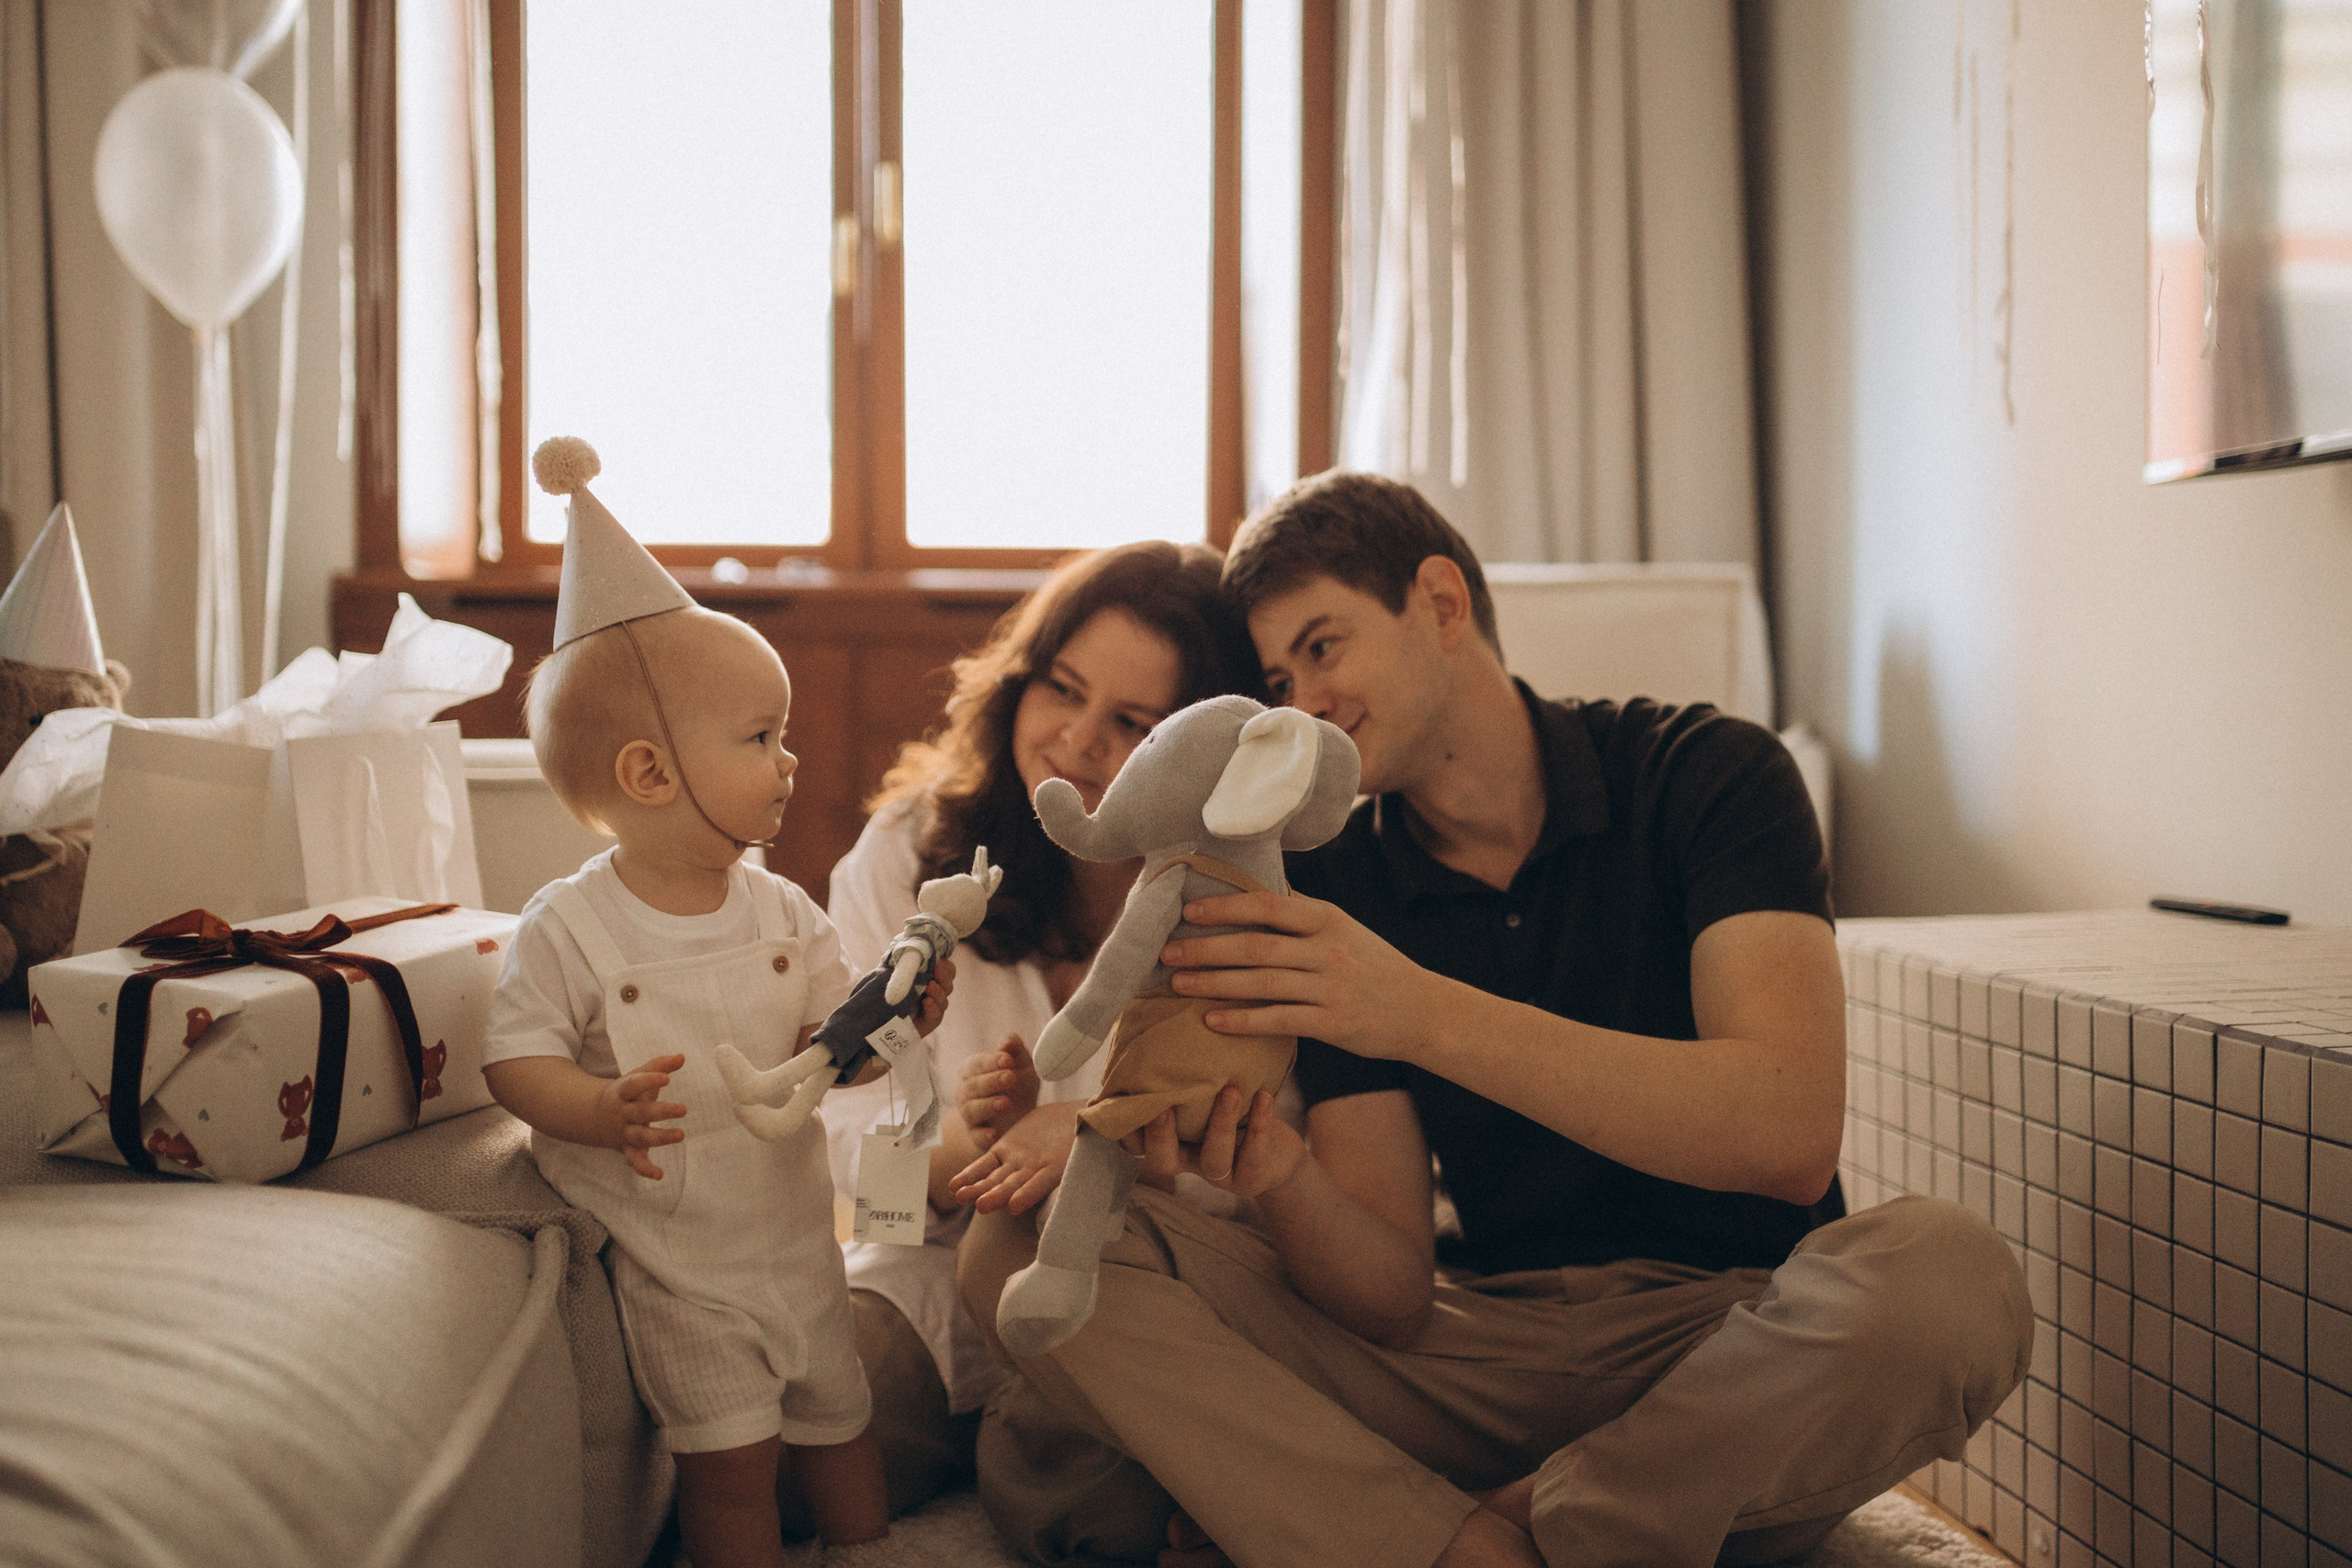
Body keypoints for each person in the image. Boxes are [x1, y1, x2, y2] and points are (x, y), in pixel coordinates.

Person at [960, 471, 2035, 1568]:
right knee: (1023, 1244)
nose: (1304, 704)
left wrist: (1414, 1011)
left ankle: (1492, 1531)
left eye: (1323, 649)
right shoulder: (1331, 878)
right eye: (1279, 679)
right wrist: (1280, 1174)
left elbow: (1786, 1139)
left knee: (1951, 1278)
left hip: (1727, 1347)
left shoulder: (1708, 776)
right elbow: (1386, 1298)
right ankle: (1486, 1530)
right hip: (1474, 1350)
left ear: (1439, 601)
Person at [484, 441, 951, 1568]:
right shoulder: (571, 927)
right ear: (649, 775)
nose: (789, 763)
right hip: (681, 1267)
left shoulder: (784, 911)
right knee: (730, 1464)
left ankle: (867, 1545)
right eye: (760, 739)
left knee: (841, 1424)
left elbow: (838, 1046)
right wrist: (594, 1111)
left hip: (791, 1242)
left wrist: (896, 1030)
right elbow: (513, 1059)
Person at [815, 542, 1264, 1540]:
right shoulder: (908, 858)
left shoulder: (1230, 902)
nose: (1074, 740)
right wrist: (968, 1160)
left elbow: (1244, 1180)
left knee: (1088, 1513)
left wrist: (1090, 1142)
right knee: (806, 1435)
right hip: (923, 1261)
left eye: (1132, 725)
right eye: (1061, 689)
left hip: (1142, 1280)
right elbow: (839, 1136)